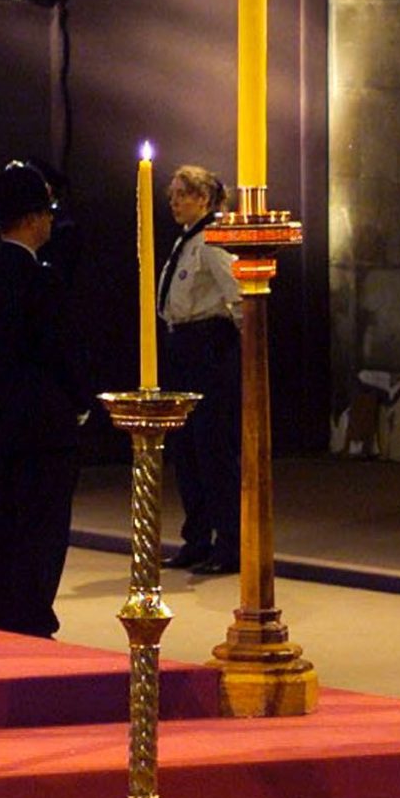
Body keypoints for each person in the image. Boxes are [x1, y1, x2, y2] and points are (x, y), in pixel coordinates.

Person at [0, 161, 90, 637]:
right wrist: (81, 401)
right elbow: (61, 350)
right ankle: (32, 613)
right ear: (34, 218)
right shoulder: (42, 280)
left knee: (4, 522)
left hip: (1, 419)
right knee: (43, 527)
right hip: (46, 423)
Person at [160, 164, 242, 575]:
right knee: (188, 450)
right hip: (184, 347)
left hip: (207, 347)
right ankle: (197, 538)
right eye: (172, 194)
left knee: (213, 450)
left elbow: (238, 296)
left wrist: (238, 348)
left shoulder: (212, 241)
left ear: (204, 200)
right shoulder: (186, 241)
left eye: (182, 194)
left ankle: (229, 543)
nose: (173, 201)